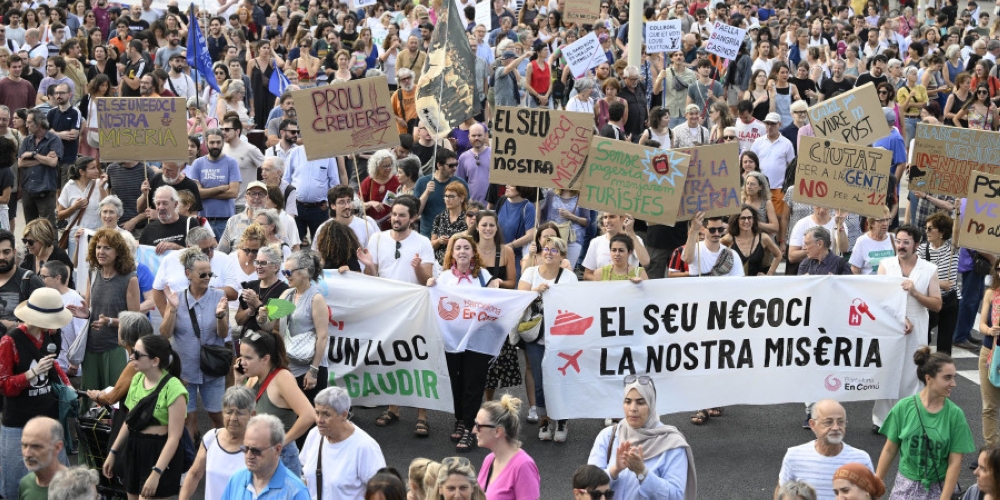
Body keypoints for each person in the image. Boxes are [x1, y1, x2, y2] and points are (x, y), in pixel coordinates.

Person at [427, 234, 499, 452]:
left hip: (478, 339)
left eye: (466, 247)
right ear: (452, 253)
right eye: (457, 248)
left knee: (473, 382)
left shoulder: (484, 276)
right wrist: (430, 285)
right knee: (455, 382)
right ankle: (460, 418)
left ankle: (469, 427)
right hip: (452, 340)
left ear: (473, 252)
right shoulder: (445, 277)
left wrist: (495, 288)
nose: (462, 251)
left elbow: (495, 303)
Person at [875, 348, 975, 498]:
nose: (953, 383)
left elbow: (955, 462)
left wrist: (945, 497)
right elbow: (889, 449)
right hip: (905, 488)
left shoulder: (955, 415)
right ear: (929, 378)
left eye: (954, 377)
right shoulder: (903, 407)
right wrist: (876, 483)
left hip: (937, 489)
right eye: (947, 378)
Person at [874, 225, 943, 431]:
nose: (901, 246)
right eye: (898, 241)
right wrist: (900, 317)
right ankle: (882, 419)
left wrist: (915, 293)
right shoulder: (886, 264)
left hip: (919, 323)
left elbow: (937, 304)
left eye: (906, 242)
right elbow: (879, 298)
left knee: (914, 371)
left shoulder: (929, 269)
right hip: (891, 322)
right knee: (887, 369)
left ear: (916, 245)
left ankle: (911, 417)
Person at [103, 334, 187, 499]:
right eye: (133, 352)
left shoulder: (175, 390)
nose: (132, 357)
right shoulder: (137, 380)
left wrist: (156, 472)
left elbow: (174, 438)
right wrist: (113, 452)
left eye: (137, 354)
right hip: (134, 448)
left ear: (155, 361)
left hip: (158, 451)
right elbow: (130, 421)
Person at [158, 246, 230, 439]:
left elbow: (222, 334)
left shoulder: (218, 297)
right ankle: (191, 462)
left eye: (210, 273)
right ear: (188, 274)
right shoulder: (176, 299)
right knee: (188, 419)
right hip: (184, 370)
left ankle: (223, 451)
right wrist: (172, 310)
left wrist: (221, 315)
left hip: (212, 369)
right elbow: (165, 333)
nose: (207, 277)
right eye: (203, 273)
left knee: (217, 416)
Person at [587, 374, 696, 500]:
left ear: (651, 404)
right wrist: (614, 470)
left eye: (640, 402)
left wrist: (643, 473)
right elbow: (588, 486)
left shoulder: (671, 444)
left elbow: (676, 496)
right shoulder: (608, 436)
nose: (633, 409)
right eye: (628, 401)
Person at [518, 236, 577, 442]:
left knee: (561, 379)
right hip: (535, 335)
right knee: (540, 378)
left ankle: (561, 419)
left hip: (561, 337)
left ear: (562, 256)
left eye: (555, 250)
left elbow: (576, 305)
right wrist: (535, 292)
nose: (549, 253)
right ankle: (544, 418)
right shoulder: (530, 273)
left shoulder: (569, 277)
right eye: (546, 249)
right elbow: (519, 300)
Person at [236, 329, 314, 477]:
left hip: (280, 459)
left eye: (248, 357)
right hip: (257, 454)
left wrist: (282, 442)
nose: (242, 362)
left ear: (265, 359)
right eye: (241, 356)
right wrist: (239, 382)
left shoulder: (282, 378)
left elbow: (309, 415)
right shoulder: (252, 377)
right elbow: (239, 411)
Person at [256, 250, 329, 406]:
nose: (286, 275)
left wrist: (313, 371)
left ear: (306, 272)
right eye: (284, 272)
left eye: (289, 272)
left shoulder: (316, 299)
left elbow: (322, 337)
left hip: (309, 369)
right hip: (288, 365)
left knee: (309, 420)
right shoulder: (286, 294)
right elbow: (269, 325)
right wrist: (262, 318)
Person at [776, 399, 874, 500]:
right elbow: (782, 493)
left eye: (841, 422)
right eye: (829, 422)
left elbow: (872, 496)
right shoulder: (794, 456)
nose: (836, 427)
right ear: (813, 425)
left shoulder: (861, 459)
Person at [301, 386, 386, 499]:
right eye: (317, 413)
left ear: (344, 415)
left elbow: (381, 492)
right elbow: (307, 479)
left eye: (326, 414)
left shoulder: (365, 446)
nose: (319, 420)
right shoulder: (314, 435)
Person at [180, 386, 258, 500]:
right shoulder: (211, 438)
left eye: (240, 413)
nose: (233, 418)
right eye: (228, 412)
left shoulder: (260, 447)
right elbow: (194, 474)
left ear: (253, 415)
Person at [220, 414, 310, 500]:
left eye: (256, 451)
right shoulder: (236, 480)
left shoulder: (296, 491)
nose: (249, 455)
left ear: (277, 450)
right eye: (246, 448)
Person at [471, 395, 540, 499]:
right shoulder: (489, 460)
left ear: (498, 431)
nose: (474, 430)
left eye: (478, 426)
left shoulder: (523, 466)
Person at [18, 108, 62, 226]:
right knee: (30, 225)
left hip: (46, 189)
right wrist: (43, 159)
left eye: (29, 122)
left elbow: (53, 163)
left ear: (38, 123)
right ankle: (31, 245)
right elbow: (20, 163)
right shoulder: (27, 140)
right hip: (28, 188)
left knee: (48, 226)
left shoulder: (53, 139)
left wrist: (33, 155)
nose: (26, 126)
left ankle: (51, 245)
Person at [236, 245, 290, 335]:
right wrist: (250, 310)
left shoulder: (284, 290)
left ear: (276, 267)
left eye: (263, 263)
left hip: (267, 343)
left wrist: (257, 303)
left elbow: (276, 326)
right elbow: (238, 321)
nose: (258, 267)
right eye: (257, 262)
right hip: (246, 341)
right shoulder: (250, 286)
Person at [582, 213, 649, 280]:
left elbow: (645, 262)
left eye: (612, 217)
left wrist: (630, 232)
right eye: (605, 217)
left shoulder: (634, 239)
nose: (607, 221)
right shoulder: (596, 242)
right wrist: (606, 282)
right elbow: (587, 275)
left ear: (623, 219)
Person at [722, 205, 782, 276]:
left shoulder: (763, 238)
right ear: (737, 220)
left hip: (757, 284)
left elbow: (778, 255)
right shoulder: (729, 239)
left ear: (754, 220)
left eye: (749, 218)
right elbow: (713, 249)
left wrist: (769, 274)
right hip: (736, 284)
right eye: (743, 218)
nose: (747, 221)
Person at [20, 218, 74, 287]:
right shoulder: (29, 257)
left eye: (31, 242)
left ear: (42, 240)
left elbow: (64, 287)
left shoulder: (60, 257)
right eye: (25, 240)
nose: (26, 244)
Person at [361, 149, 400, 231]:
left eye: (390, 165)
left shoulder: (396, 181)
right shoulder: (368, 182)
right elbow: (358, 206)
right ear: (377, 166)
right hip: (371, 227)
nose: (388, 168)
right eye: (385, 166)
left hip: (391, 227)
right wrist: (371, 203)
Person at [431, 182, 469, 264]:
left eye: (451, 196)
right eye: (445, 196)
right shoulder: (439, 218)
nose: (447, 199)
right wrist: (439, 241)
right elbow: (431, 245)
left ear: (461, 198)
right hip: (439, 263)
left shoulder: (468, 219)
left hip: (460, 263)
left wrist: (452, 242)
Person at [849, 207, 895, 275]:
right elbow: (855, 269)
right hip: (869, 284)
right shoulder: (862, 241)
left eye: (887, 219)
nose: (885, 223)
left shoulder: (894, 238)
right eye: (881, 220)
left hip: (890, 284)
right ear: (872, 223)